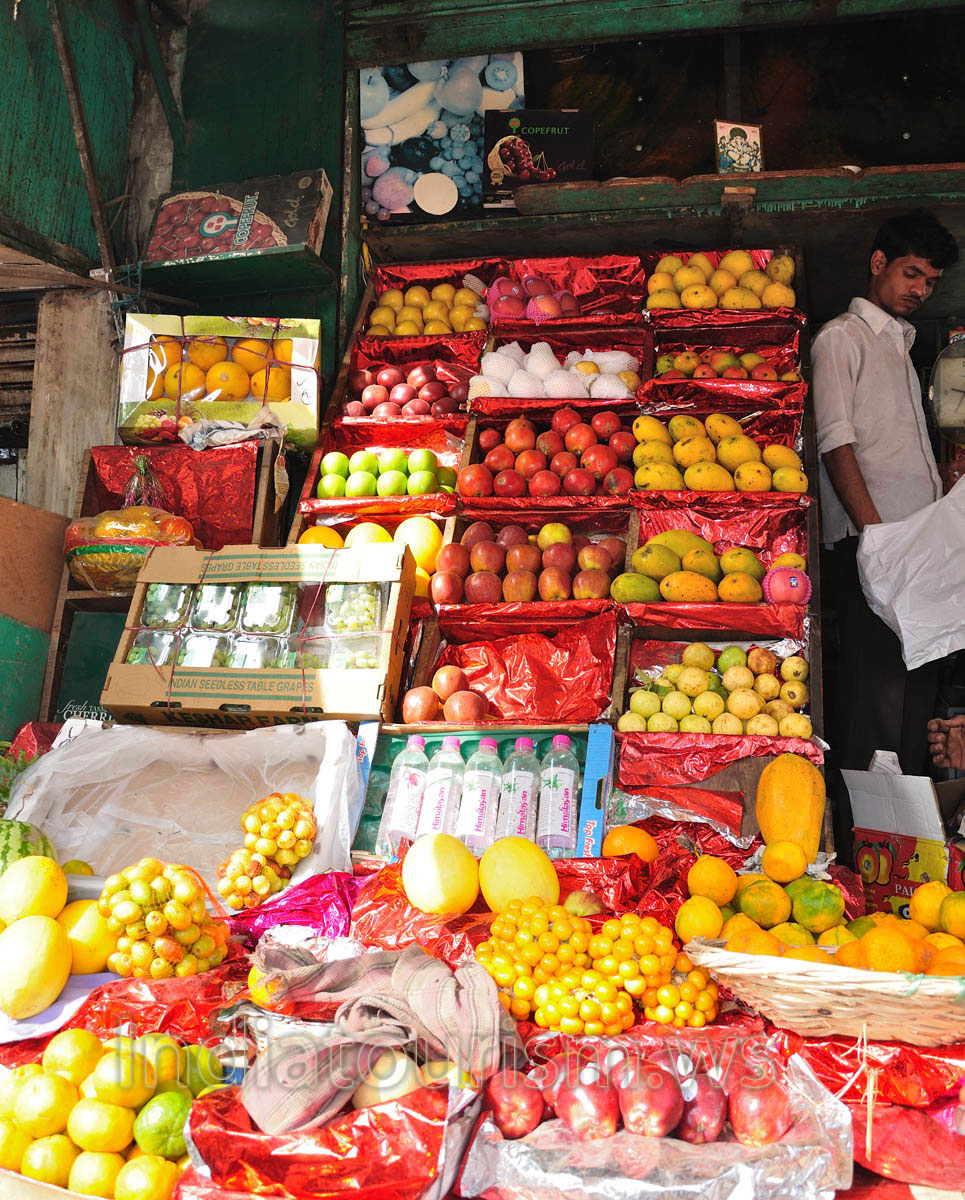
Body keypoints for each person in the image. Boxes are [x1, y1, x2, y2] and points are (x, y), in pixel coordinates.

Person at [813, 209, 959, 855]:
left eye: (928, 281)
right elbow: (833, 443)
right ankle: (856, 854)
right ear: (877, 264)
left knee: (914, 707)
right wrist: (873, 536)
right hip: (874, 548)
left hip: (915, 553)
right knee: (873, 705)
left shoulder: (899, 344)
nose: (919, 290)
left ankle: (905, 860)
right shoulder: (840, 338)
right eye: (910, 274)